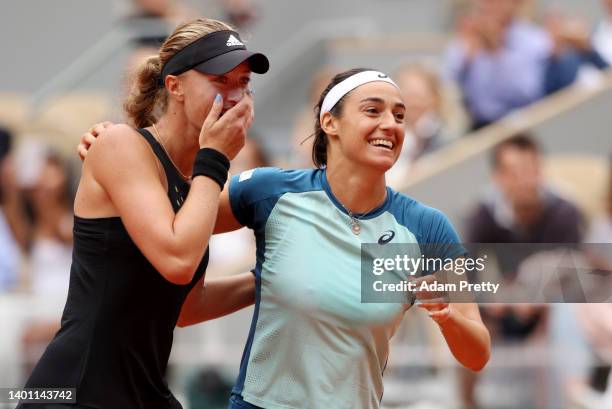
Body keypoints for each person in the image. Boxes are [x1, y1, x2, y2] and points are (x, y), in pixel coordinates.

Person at [81, 68, 491, 409]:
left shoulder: (426, 227)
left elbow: (477, 354)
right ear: (330, 122)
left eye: (400, 116)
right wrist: (121, 152)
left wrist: (447, 316)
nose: (390, 124)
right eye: (373, 110)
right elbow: (175, 214)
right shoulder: (272, 191)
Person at [19, 17, 269, 409]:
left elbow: (188, 306)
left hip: (142, 392)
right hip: (74, 392)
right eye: (221, 80)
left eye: (244, 83)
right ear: (175, 86)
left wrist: (269, 282)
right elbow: (176, 260)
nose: (236, 96)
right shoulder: (121, 144)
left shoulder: (195, 182)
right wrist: (216, 158)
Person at [445, 0, 552, 129]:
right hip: (477, 127)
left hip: (523, 127)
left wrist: (497, 52)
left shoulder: (535, 40)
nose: (492, 5)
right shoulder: (467, 38)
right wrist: (467, 57)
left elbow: (528, 94)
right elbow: (447, 84)